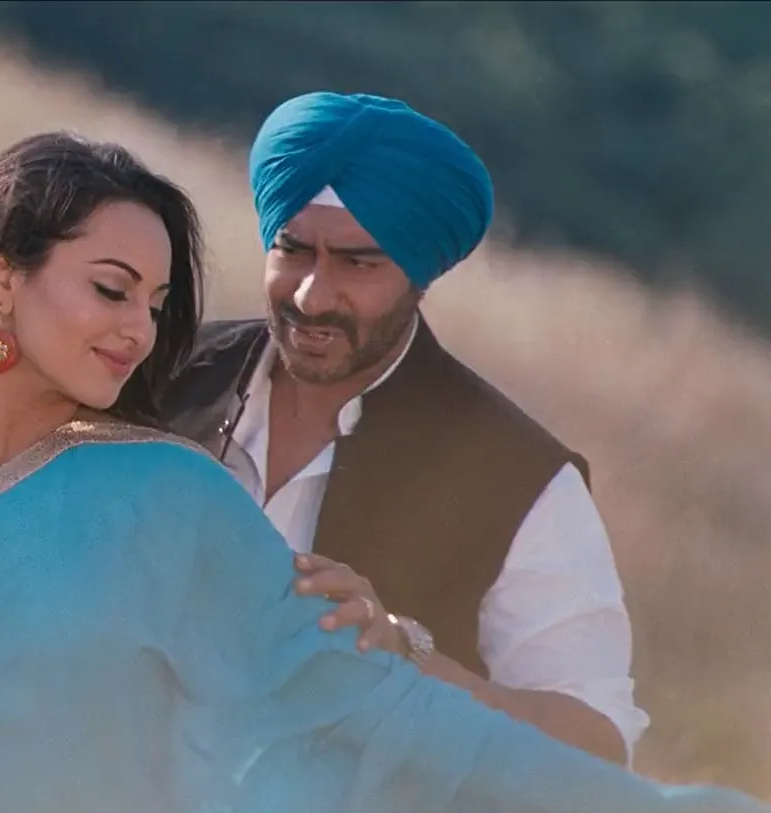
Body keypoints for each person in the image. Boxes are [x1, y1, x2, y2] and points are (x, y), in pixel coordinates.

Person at [0, 129, 767, 813]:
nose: (137, 329)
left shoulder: (175, 490)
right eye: (111, 289)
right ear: (3, 278)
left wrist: (405, 650)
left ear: (418, 276)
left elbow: (396, 721)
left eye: (154, 303)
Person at [158, 91, 643, 766]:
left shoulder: (520, 478)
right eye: (293, 250)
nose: (312, 295)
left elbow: (598, 749)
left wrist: (405, 659)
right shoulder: (156, 373)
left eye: (358, 263)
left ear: (420, 274)